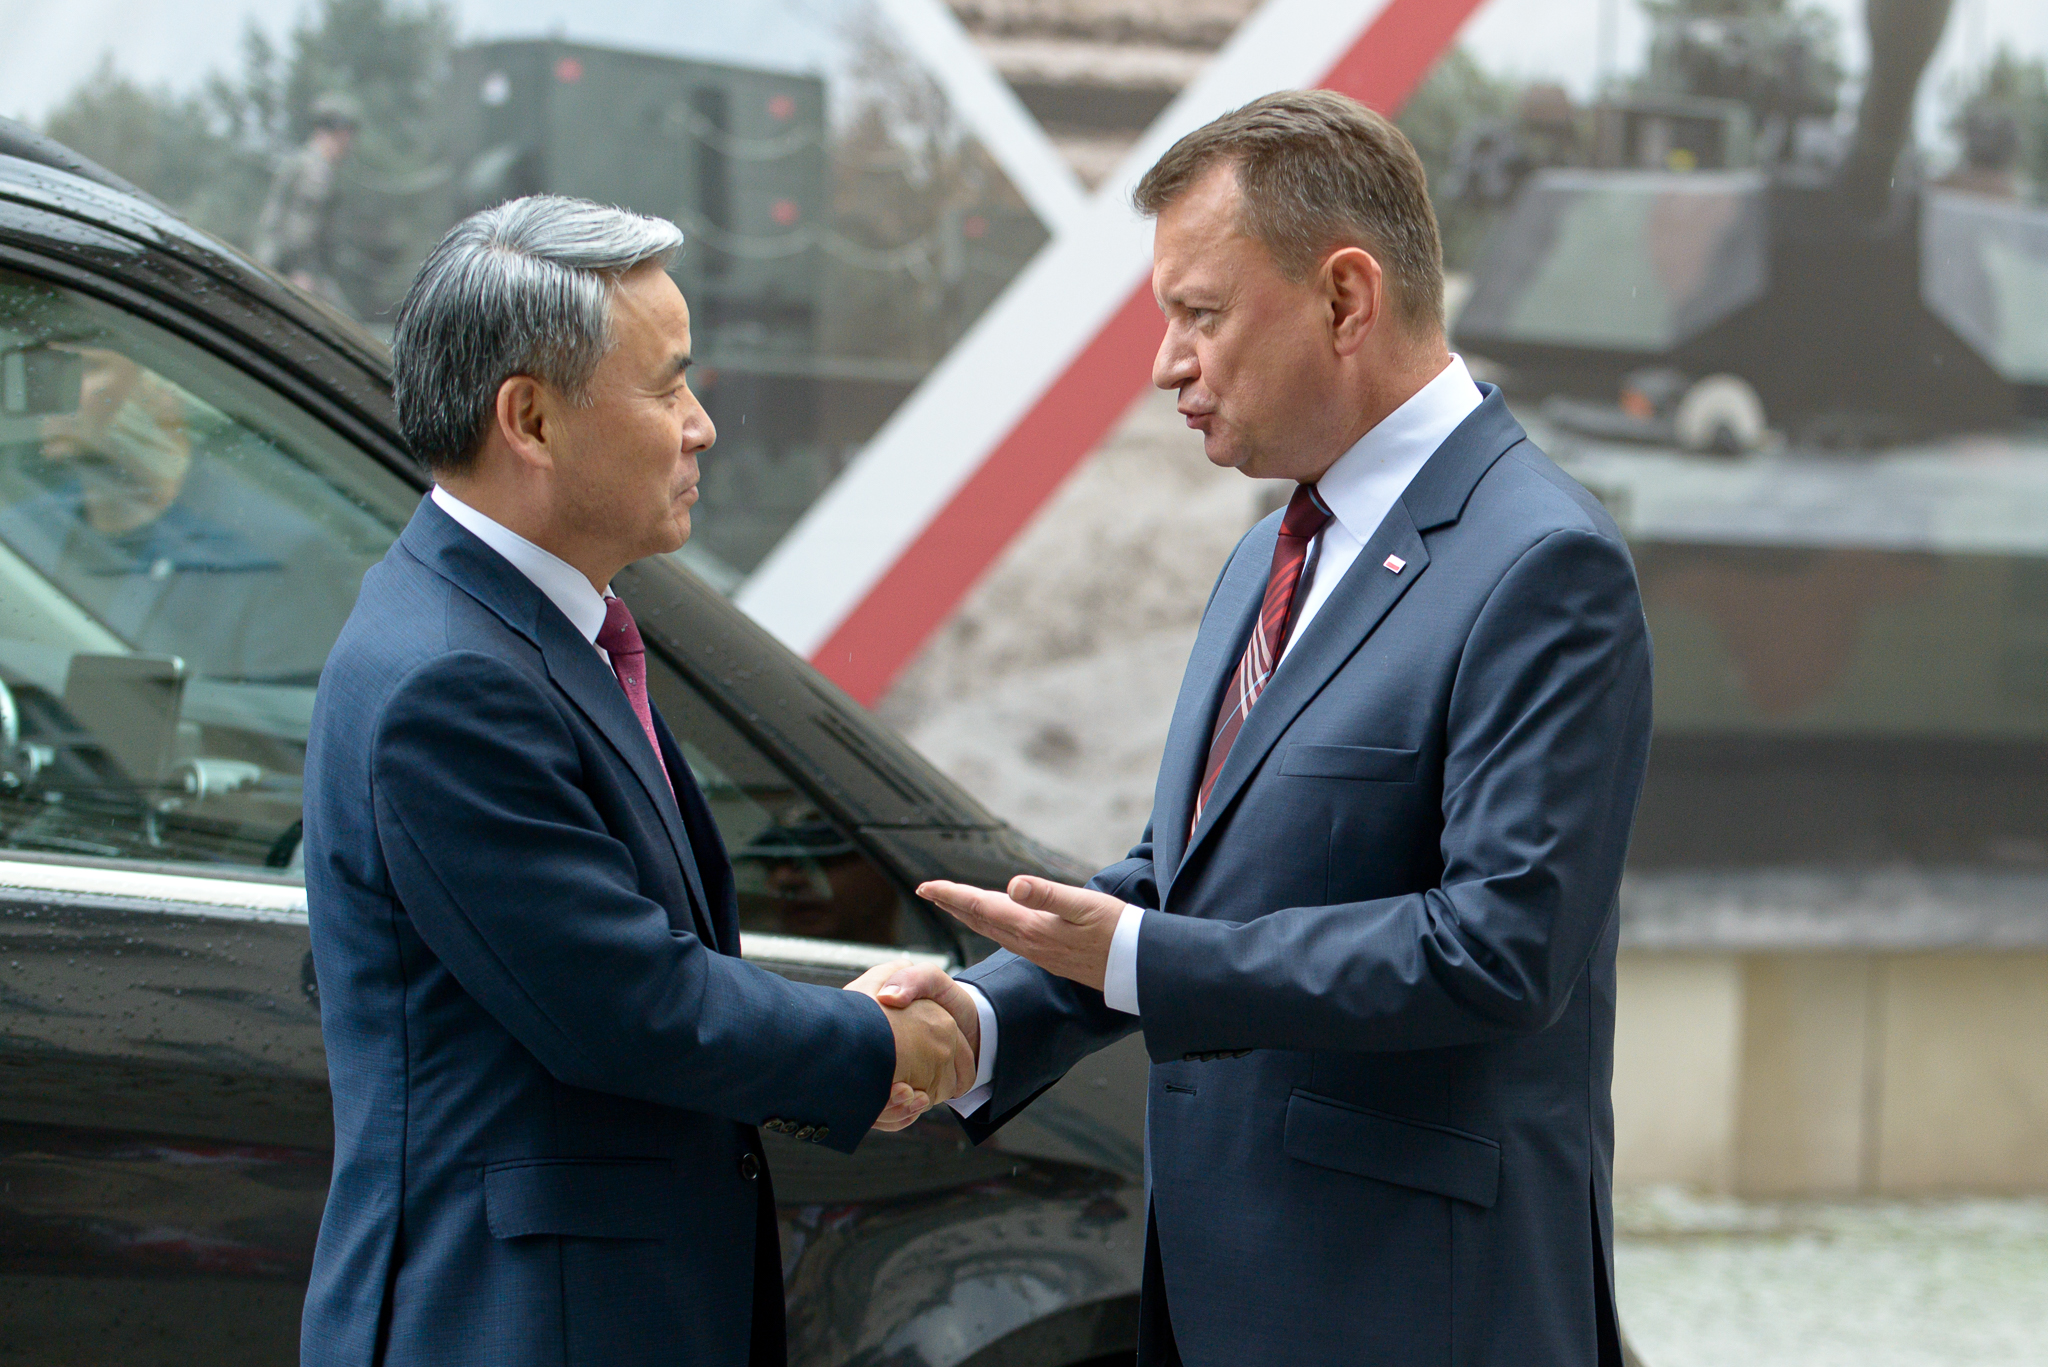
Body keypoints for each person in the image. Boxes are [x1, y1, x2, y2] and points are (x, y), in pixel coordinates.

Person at [886, 91, 1653, 1366]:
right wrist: (978, 1020)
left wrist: (1143, 959)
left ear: (1345, 299)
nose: (1165, 363)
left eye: (1199, 313)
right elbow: (1184, 883)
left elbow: (1499, 946)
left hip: (1413, 1314)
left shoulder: (1542, 562)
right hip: (1227, 1295)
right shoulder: (1267, 553)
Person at [299, 196, 975, 1367]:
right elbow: (624, 1003)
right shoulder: (452, 678)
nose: (701, 425)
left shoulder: (512, 630)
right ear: (530, 418)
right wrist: (873, 1044)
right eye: (667, 387)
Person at [254, 92, 360, 311]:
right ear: (325, 133)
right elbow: (287, 227)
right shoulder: (304, 168)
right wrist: (297, 271)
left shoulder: (330, 175)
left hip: (311, 272)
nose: (347, 144)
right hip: (287, 269)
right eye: (343, 136)